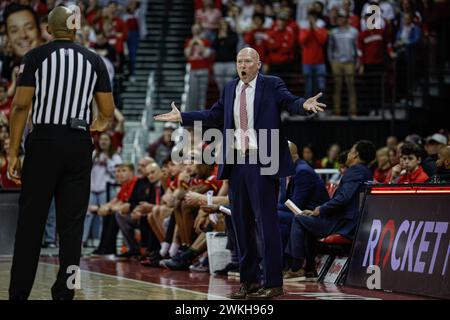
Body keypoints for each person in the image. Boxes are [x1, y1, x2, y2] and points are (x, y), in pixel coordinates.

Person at [154, 47, 325, 299]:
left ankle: (273, 282)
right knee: (240, 223)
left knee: (266, 224)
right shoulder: (230, 88)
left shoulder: (271, 84)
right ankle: (250, 281)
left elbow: (290, 101)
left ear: (258, 64)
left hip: (262, 161)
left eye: (247, 61)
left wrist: (304, 104)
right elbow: (214, 115)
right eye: (239, 61)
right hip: (236, 162)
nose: (242, 65)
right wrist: (183, 116)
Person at [8, 6, 115, 300]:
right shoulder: (94, 60)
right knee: (72, 228)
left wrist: (14, 151)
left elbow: (20, 106)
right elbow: (107, 112)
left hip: (44, 142)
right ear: (76, 28)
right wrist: (95, 125)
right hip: (79, 144)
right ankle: (65, 292)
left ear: (49, 30)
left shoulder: (36, 57)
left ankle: (18, 293)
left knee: (31, 224)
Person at [284, 140, 375, 281]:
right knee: (306, 222)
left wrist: (321, 210)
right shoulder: (365, 171)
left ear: (356, 155)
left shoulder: (355, 171)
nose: (348, 154)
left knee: (299, 218)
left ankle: (296, 267)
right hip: (348, 220)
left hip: (344, 224)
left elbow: (343, 198)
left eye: (351, 151)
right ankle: (309, 269)